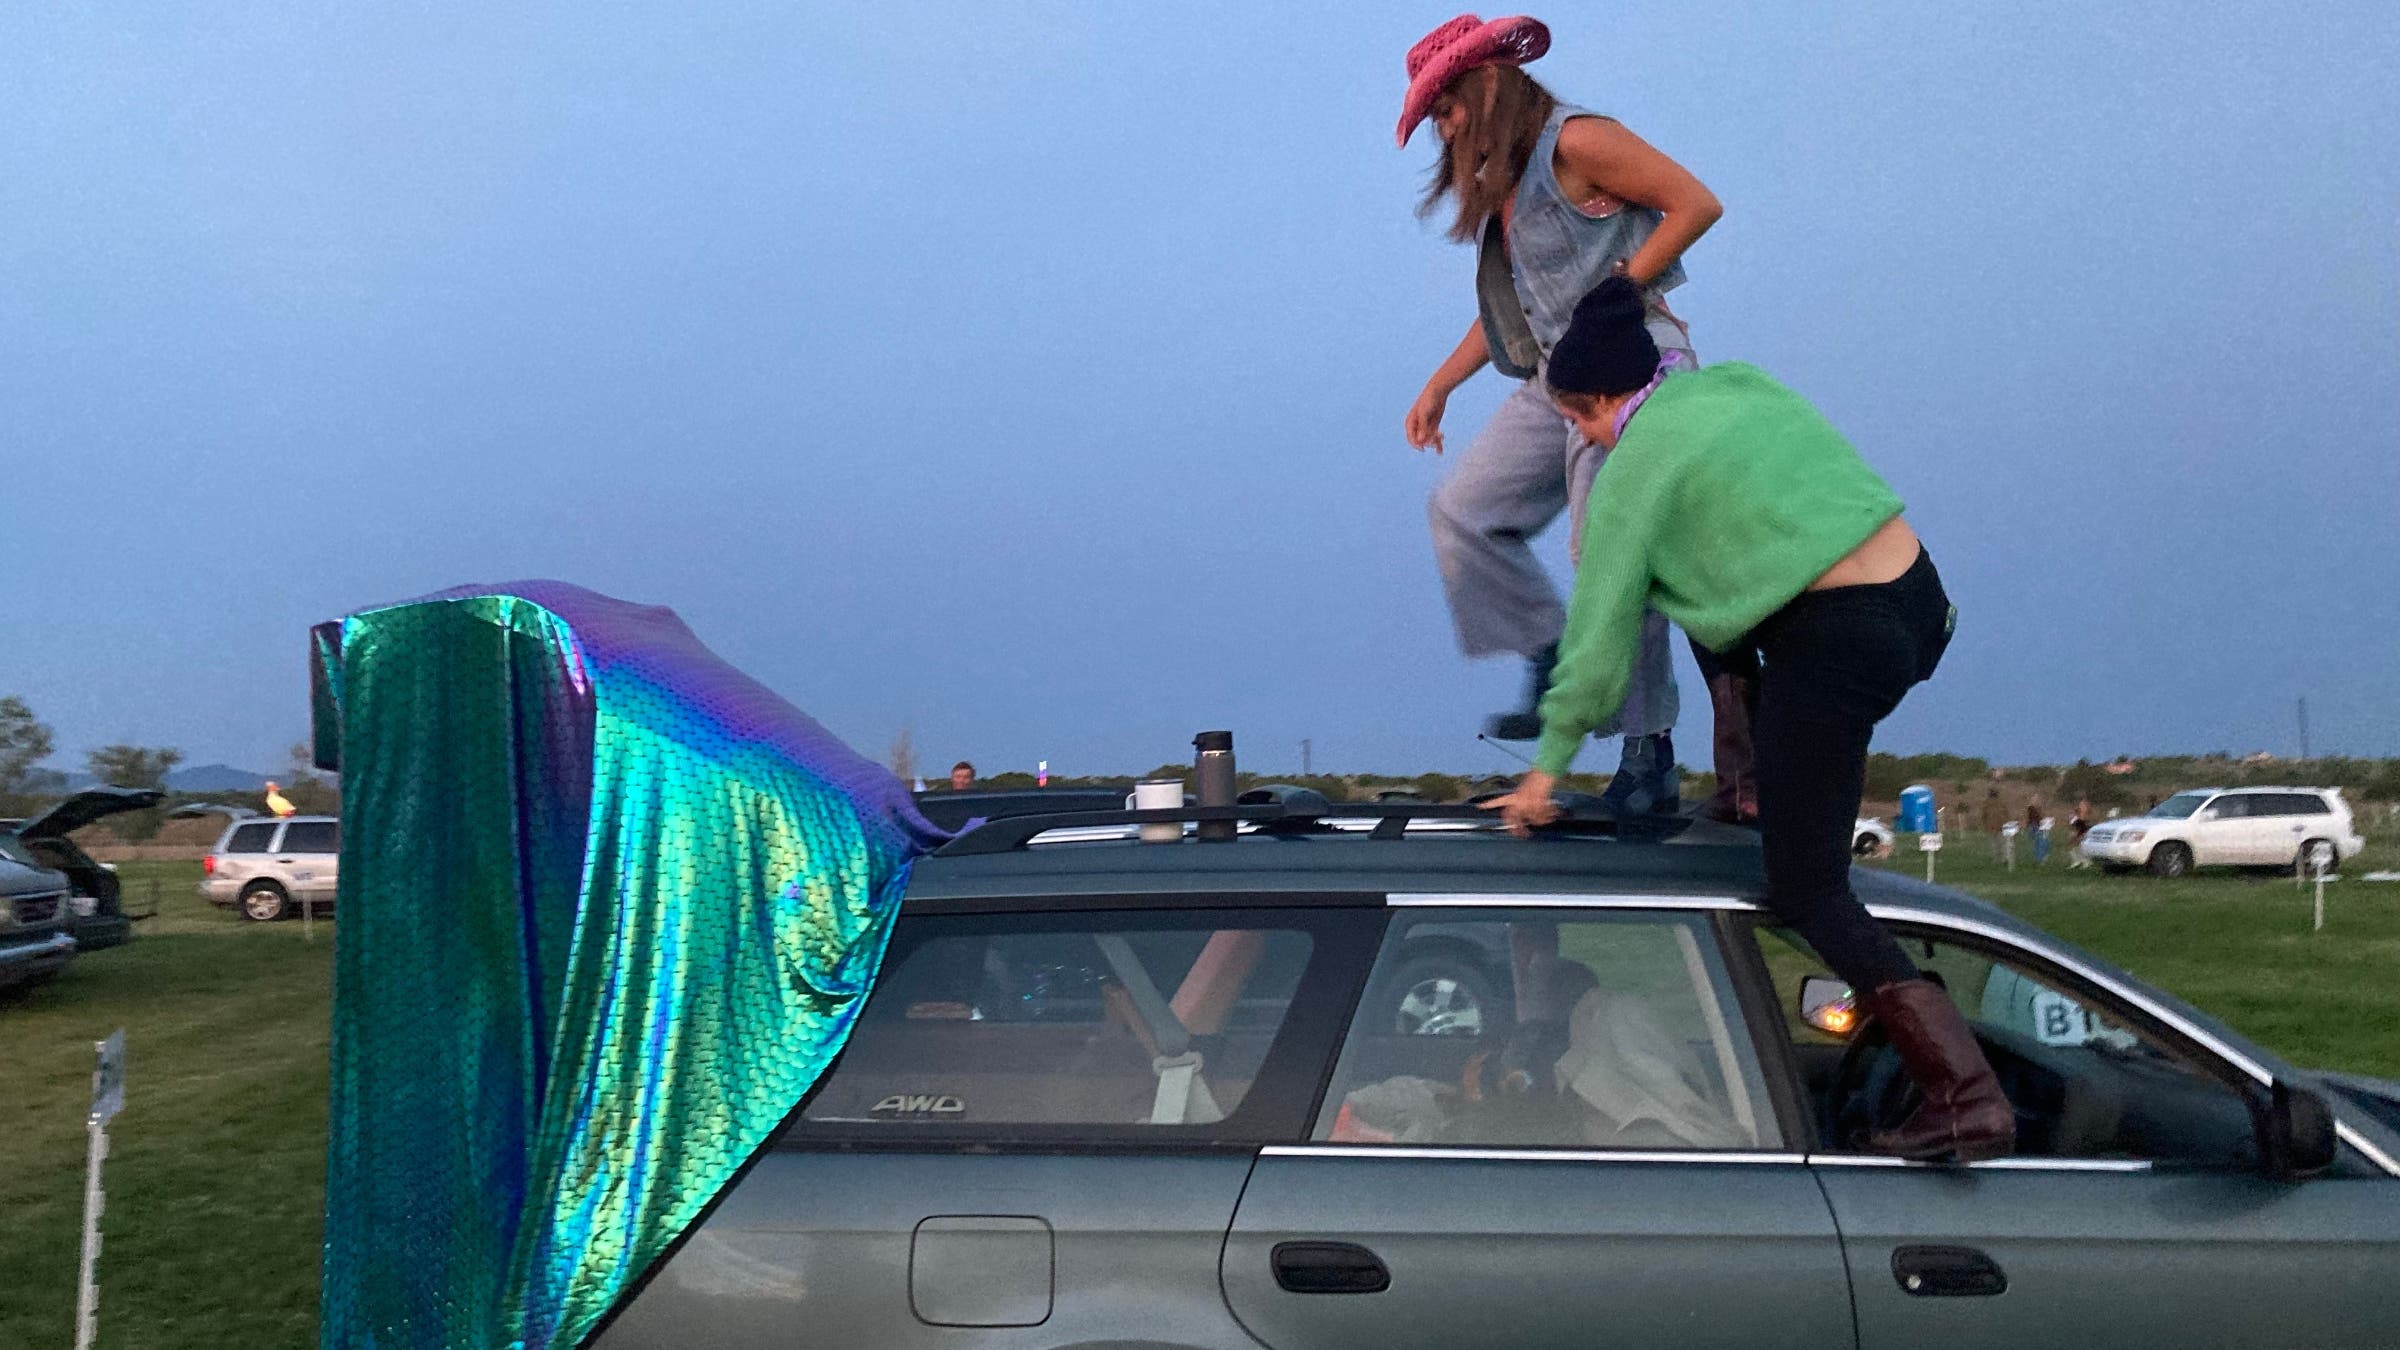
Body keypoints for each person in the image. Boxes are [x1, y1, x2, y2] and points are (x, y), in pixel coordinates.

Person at [1484, 278, 2013, 1161]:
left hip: (1838, 639)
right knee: (1700, 578)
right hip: (1920, 603)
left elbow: (1597, 646)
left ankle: (1966, 1096)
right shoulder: (1737, 383)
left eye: (1578, 420)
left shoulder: (1634, 471)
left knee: (1807, 888)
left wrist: (1547, 770)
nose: (1580, 436)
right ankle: (1749, 784)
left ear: (1603, 401)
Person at [1395, 14, 1755, 823]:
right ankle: (1554, 654)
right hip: (1556, 372)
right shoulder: (1509, 184)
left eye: (1446, 110)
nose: (1443, 130)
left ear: (1484, 85)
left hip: (1632, 362)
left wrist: (1621, 291)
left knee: (1611, 552)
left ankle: (1645, 753)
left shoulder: (1577, 142)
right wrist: (1441, 384)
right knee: (1464, 511)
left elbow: (1695, 203)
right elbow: (1516, 313)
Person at [2067, 797, 2094, 868]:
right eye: (2080, 805)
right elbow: (2073, 825)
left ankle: (2086, 861)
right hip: (2079, 832)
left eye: (2083, 805)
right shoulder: (2077, 815)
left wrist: (2081, 835)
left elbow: (2088, 827)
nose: (2081, 806)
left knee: (2081, 844)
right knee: (2072, 845)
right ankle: (2077, 861)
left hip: (2086, 833)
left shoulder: (2087, 816)